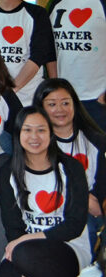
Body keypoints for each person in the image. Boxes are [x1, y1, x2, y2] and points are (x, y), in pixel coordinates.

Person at [0, 106, 90, 277]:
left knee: (24, 256)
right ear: (18, 133)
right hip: (24, 248)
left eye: (41, 130)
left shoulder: (71, 168)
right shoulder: (8, 171)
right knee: (8, 275)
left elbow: (75, 225)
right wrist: (23, 243)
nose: (34, 137)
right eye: (27, 130)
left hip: (68, 246)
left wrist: (28, 238)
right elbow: (13, 227)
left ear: (51, 133)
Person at [34, 78, 106, 246]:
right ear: (41, 108)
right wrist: (83, 198)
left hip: (93, 208)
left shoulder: (96, 140)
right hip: (56, 210)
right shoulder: (35, 144)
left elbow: (102, 184)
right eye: (52, 104)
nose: (60, 110)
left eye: (65, 103)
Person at [47, 0, 106, 131]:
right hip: (65, 100)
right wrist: (55, 87)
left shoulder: (103, 0)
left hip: (98, 99)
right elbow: (51, 50)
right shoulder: (57, 5)